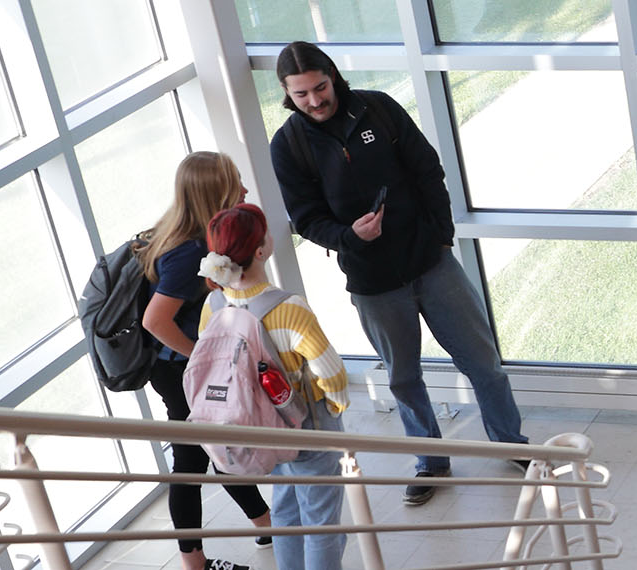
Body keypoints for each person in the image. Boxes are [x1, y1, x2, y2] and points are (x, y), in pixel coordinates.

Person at [267, 40, 530, 506]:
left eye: (320, 87)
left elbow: (428, 170)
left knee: (482, 360)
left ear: (333, 76)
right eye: (301, 94)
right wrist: (349, 237)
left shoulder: (378, 109)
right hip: (372, 282)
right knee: (403, 377)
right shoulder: (288, 145)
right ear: (287, 93)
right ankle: (429, 459)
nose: (314, 101)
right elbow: (306, 218)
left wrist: (442, 235)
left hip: (431, 262)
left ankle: (511, 443)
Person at [135, 152, 271, 570]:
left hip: (180, 367)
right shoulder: (186, 250)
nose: (244, 190)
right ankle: (194, 562)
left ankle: (267, 524)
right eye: (236, 183)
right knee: (192, 461)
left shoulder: (183, 234)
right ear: (216, 192)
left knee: (217, 446)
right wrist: (203, 360)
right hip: (179, 371)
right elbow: (155, 320)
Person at [197, 203, 351, 570]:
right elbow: (332, 374)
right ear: (261, 250)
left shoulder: (213, 303)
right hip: (305, 424)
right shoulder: (289, 308)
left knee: (285, 513)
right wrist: (335, 407)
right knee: (322, 523)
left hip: (256, 427)